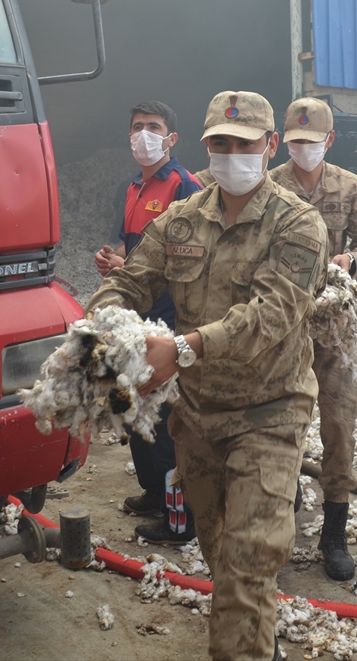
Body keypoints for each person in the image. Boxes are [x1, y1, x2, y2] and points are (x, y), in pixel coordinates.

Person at [86, 90, 329, 661]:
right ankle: (257, 644)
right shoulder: (181, 219)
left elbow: (269, 316)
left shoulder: (298, 225)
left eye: (243, 144)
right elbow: (133, 277)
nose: (230, 153)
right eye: (219, 143)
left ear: (269, 147)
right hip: (197, 421)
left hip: (269, 415)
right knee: (223, 559)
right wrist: (104, 323)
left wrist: (182, 348)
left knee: (247, 569)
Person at [270, 96, 357, 581]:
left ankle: (333, 532)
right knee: (279, 421)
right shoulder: (269, 185)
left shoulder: (351, 187)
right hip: (280, 327)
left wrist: (352, 262)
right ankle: (283, 504)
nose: (303, 150)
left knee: (338, 425)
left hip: (333, 331)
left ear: (329, 141)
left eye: (312, 143)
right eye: (295, 142)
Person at [93, 101, 202, 544]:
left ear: (171, 138)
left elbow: (193, 260)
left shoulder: (184, 186)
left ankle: (180, 515)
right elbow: (138, 253)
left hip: (169, 320)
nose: (143, 135)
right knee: (134, 405)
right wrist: (115, 263)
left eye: (153, 128)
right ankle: (153, 492)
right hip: (136, 316)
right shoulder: (134, 187)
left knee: (166, 421)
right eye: (137, 127)